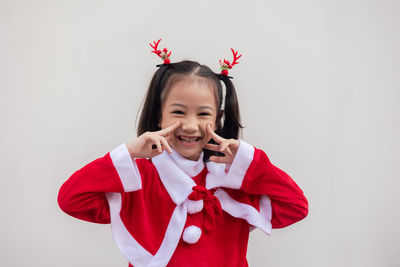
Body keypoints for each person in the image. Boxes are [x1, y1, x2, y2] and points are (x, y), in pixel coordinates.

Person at [57, 40, 308, 267]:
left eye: (203, 114)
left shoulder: (233, 180)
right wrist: (130, 152)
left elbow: (296, 207)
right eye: (178, 112)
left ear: (218, 119)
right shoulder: (139, 178)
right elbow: (71, 200)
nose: (190, 125)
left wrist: (252, 164)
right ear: (159, 114)